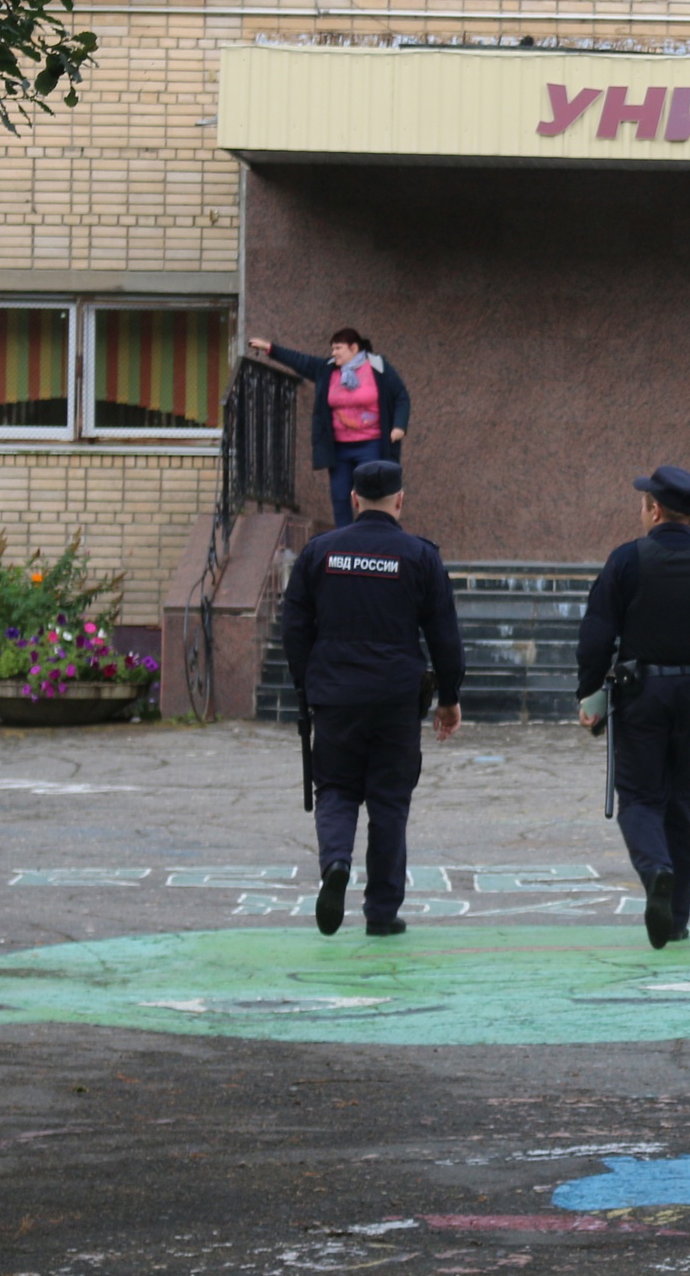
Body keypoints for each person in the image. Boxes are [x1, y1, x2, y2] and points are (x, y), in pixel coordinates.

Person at [278, 459, 466, 938]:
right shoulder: (419, 556)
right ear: (400, 501)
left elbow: (295, 626)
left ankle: (336, 865)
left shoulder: (320, 553)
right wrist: (449, 696)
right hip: (395, 699)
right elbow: (445, 634)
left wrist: (307, 687)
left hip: (336, 698)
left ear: (353, 499)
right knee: (389, 803)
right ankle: (381, 911)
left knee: (337, 791)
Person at [576, 464, 690, 950]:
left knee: (639, 798)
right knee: (683, 806)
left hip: (640, 695)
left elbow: (596, 636)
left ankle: (655, 871)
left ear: (652, 509)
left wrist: (590, 695)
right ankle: (677, 919)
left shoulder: (628, 560)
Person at [249, 328, 412, 528]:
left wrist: (399, 426)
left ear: (354, 348)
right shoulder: (327, 369)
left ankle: (371, 534)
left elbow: (401, 396)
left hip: (371, 444)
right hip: (339, 448)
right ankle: (344, 538)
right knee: (340, 494)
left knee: (370, 495)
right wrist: (270, 348)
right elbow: (301, 361)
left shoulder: (378, 367)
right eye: (332, 349)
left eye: (338, 348)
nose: (333, 353)